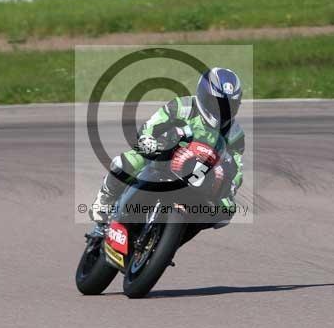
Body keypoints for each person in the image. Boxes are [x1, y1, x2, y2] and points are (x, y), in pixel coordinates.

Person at [89, 67, 245, 234]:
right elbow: (152, 125)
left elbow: (236, 164)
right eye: (216, 103)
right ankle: (105, 200)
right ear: (203, 95)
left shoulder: (234, 132)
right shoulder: (182, 106)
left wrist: (233, 183)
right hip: (166, 156)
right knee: (128, 161)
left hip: (202, 174)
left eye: (229, 105)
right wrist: (148, 139)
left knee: (227, 209)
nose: (221, 110)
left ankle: (173, 240)